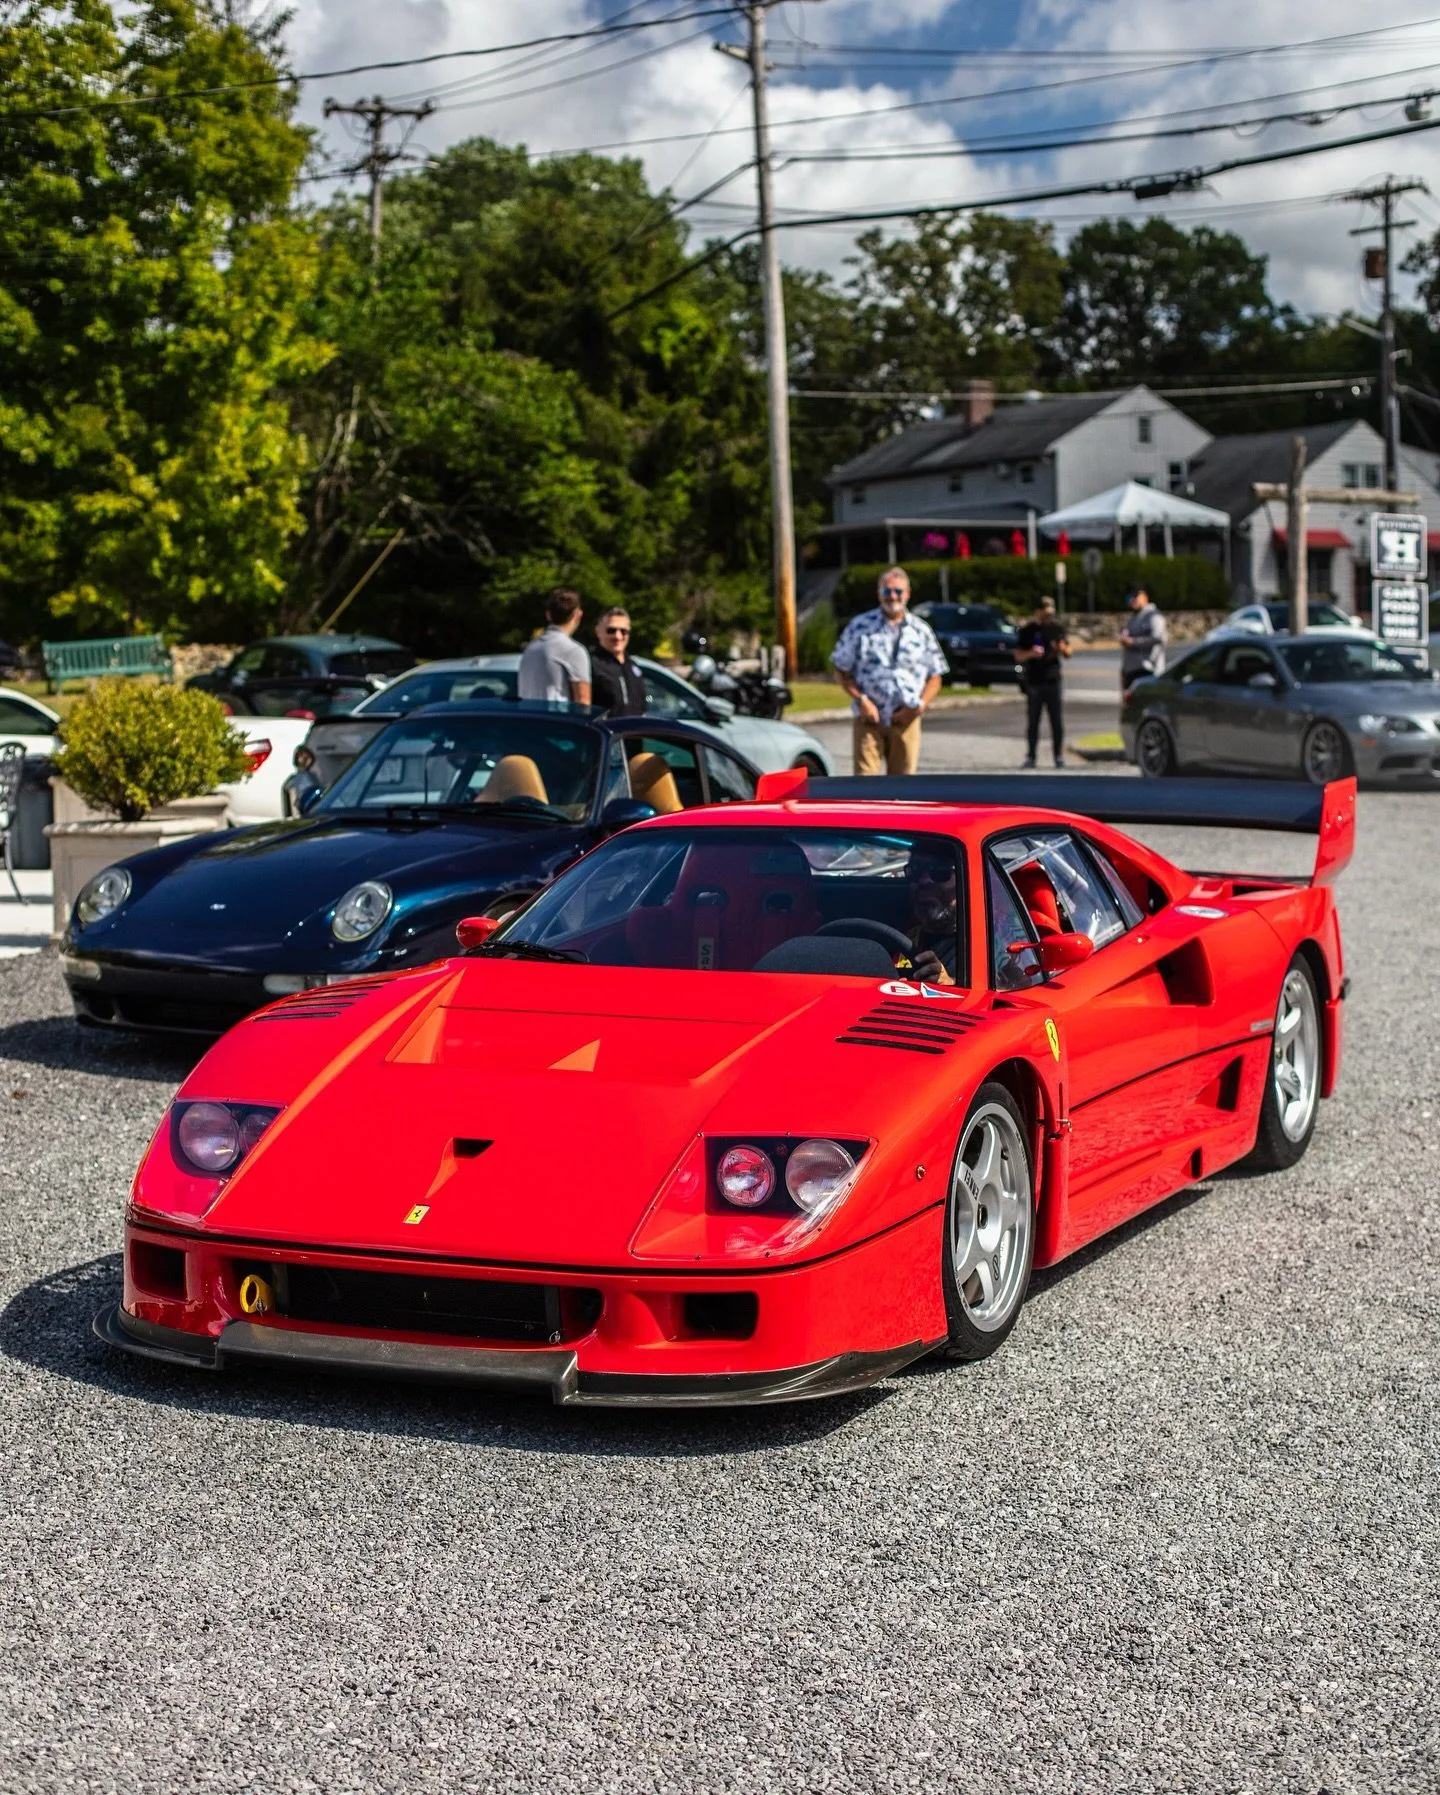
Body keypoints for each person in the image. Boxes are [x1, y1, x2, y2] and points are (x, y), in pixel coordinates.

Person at [830, 566, 947, 776]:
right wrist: (861, 700)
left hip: (905, 719)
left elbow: (935, 676)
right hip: (869, 719)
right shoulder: (860, 626)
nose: (892, 596)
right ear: (879, 593)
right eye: (887, 591)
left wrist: (919, 707)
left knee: (903, 787)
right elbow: (841, 669)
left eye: (898, 591)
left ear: (907, 594)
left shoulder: (921, 631)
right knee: (865, 785)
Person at [1015, 595, 1071, 769]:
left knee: (1056, 721)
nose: (1048, 616)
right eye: (1045, 612)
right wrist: (1031, 654)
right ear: (1038, 611)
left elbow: (1068, 652)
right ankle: (1031, 755)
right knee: (1033, 720)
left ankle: (1058, 756)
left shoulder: (1057, 629)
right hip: (1034, 680)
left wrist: (1062, 648)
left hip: (1053, 679)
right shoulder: (1028, 630)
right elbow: (1018, 656)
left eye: (1050, 612)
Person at [517, 588, 591, 707]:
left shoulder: (531, 648)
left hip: (527, 717)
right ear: (578, 614)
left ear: (548, 615)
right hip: (556, 718)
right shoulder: (574, 650)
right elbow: (583, 703)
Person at [904, 843, 961, 986]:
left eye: (940, 871)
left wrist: (949, 985)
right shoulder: (899, 938)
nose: (924, 881)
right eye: (915, 871)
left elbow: (1005, 991)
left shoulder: (990, 945)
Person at [589, 606, 646, 716]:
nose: (618, 636)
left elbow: (646, 702)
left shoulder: (634, 667)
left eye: (624, 631)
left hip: (636, 727)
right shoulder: (591, 665)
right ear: (598, 631)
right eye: (611, 630)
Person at [1119, 585, 1167, 693]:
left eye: (1135, 596)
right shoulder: (1133, 617)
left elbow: (1159, 638)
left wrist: (1133, 642)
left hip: (1148, 670)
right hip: (1131, 672)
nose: (1132, 600)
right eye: (1128, 597)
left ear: (1144, 596)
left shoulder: (1153, 615)